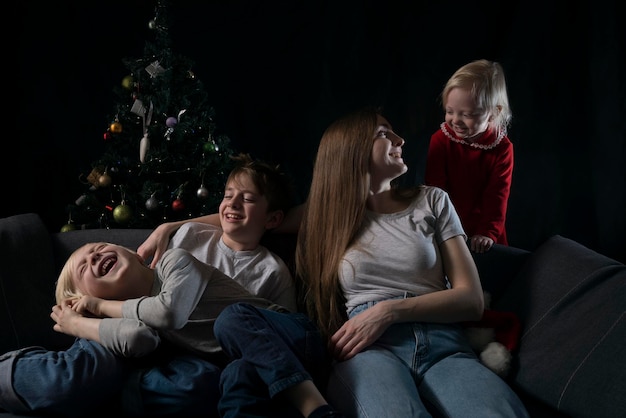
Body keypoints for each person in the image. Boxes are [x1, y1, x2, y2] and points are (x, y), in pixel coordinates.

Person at [0, 153, 335, 417]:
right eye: (84, 263)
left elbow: (169, 313)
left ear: (136, 252)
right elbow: (139, 335)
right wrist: (83, 321)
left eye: (97, 247)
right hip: (226, 355)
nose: (93, 255)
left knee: (231, 325)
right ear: (81, 298)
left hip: (285, 337)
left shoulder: (180, 260)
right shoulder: (138, 310)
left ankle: (315, 407)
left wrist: (95, 309)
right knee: (234, 376)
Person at [295, 107, 528, 417]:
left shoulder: (432, 200)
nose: (399, 139)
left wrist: (388, 311)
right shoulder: (327, 215)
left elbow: (471, 300)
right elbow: (254, 220)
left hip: (444, 345)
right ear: (350, 150)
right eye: (383, 133)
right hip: (373, 350)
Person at [425, 59, 513, 253]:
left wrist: (488, 232)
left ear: (492, 113)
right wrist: (440, 226)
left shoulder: (502, 148)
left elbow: (497, 196)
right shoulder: (441, 139)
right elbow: (435, 188)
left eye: (468, 114)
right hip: (446, 223)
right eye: (450, 111)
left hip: (484, 227)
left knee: (488, 271)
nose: (455, 120)